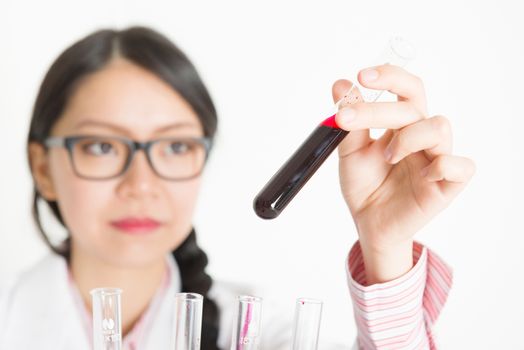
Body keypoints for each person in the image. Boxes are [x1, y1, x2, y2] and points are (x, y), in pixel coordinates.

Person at [0, 26, 475, 349]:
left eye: (175, 147)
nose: (141, 185)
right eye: (102, 147)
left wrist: (385, 246)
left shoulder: (258, 331)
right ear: (42, 167)